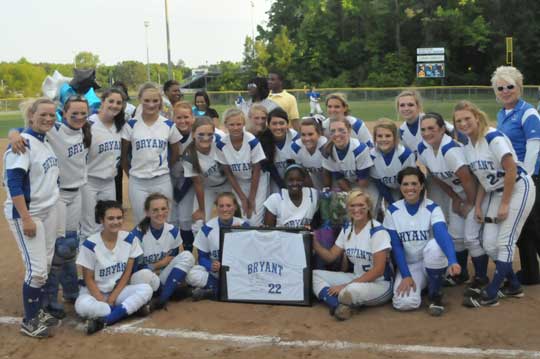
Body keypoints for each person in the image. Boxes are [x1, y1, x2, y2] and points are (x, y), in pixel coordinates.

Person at [9, 96, 92, 316]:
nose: (79, 116)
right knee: (58, 249)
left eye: (83, 113)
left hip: (71, 195)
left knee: (69, 246)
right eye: (73, 112)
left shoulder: (83, 129)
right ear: (64, 114)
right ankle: (48, 298)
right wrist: (13, 134)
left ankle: (70, 291)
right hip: (54, 198)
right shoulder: (53, 130)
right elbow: (22, 130)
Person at [453, 101, 535, 308]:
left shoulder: (492, 137)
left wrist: (505, 203)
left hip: (517, 188)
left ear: (477, 118)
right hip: (494, 192)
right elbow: (484, 180)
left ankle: (491, 293)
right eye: (459, 121)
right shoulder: (468, 146)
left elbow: (511, 170)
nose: (463, 124)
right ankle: (514, 286)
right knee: (489, 243)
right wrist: (479, 205)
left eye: (467, 119)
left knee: (504, 242)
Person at [4, 98, 61, 338]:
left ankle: (37, 311)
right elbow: (14, 185)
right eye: (43, 115)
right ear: (31, 116)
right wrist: (26, 218)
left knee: (45, 265)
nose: (48, 119)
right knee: (36, 270)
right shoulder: (22, 144)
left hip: (48, 210)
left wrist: (13, 131)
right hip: (29, 213)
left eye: (52, 115)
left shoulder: (43, 140)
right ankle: (29, 320)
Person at [384, 167, 461, 316]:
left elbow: (441, 234)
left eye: (414, 183)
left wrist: (452, 260)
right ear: (400, 187)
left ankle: (435, 294)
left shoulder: (432, 207)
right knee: (404, 303)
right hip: (409, 265)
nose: (410, 188)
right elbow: (396, 245)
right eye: (405, 184)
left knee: (435, 246)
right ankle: (425, 284)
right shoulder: (393, 210)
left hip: (430, 261)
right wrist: (406, 275)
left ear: (421, 186)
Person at [417, 112, 480, 285]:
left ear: (443, 129)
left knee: (472, 237)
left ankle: (482, 277)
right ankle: (461, 274)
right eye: (423, 129)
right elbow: (436, 177)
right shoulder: (423, 148)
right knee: (456, 236)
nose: (427, 133)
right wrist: (455, 198)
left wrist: (469, 202)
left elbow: (468, 180)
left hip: (476, 192)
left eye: (432, 128)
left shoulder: (450, 150)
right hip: (458, 193)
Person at [491, 66, 540, 285]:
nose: (505, 91)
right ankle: (531, 273)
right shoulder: (502, 113)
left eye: (510, 86)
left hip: (531, 177)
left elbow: (535, 146)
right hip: (517, 177)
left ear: (518, 87)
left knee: (532, 225)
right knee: (525, 228)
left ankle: (531, 272)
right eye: (500, 88)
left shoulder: (527, 112)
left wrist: (527, 177)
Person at [312, 191, 393, 320]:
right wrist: (314, 242)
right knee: (314, 275)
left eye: (361, 205)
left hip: (380, 284)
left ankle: (342, 301)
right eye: (352, 205)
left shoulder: (377, 231)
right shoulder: (347, 229)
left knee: (349, 291)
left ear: (368, 207)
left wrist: (345, 285)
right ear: (348, 208)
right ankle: (337, 306)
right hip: (357, 278)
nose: (357, 209)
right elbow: (331, 256)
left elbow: (378, 271)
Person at [75, 200, 153, 335]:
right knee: (83, 306)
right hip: (94, 294)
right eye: (110, 218)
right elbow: (88, 279)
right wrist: (103, 300)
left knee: (146, 289)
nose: (116, 222)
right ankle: (128, 309)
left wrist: (112, 298)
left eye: (119, 218)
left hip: (118, 291)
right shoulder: (90, 244)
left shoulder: (130, 238)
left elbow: (127, 274)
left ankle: (106, 319)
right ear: (102, 220)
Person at [121, 83, 181, 224]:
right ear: (140, 100)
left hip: (161, 179)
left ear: (160, 101)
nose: (151, 104)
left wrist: (164, 167)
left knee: (165, 221)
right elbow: (123, 157)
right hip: (138, 181)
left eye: (155, 100)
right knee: (141, 222)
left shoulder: (168, 125)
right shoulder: (130, 125)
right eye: (146, 100)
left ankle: (166, 247)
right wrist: (132, 174)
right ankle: (142, 247)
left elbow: (175, 153)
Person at [129, 193, 195, 310]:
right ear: (147, 212)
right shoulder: (137, 234)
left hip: (161, 276)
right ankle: (171, 292)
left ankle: (162, 298)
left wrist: (159, 266)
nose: (160, 213)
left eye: (163, 209)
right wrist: (159, 264)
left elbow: (173, 259)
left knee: (187, 255)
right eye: (155, 210)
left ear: (168, 209)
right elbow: (138, 268)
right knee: (146, 274)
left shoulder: (173, 231)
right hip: (142, 278)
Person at [81, 88, 126, 241]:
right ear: (102, 102)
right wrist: (15, 132)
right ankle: (87, 261)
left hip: (109, 182)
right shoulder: (88, 123)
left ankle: (105, 259)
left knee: (109, 222)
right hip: (89, 181)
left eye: (119, 103)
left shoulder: (121, 126)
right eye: (111, 101)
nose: (115, 105)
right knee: (89, 226)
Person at [186, 193, 249, 300]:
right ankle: (220, 289)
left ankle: (212, 292)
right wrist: (211, 265)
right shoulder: (207, 228)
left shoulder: (244, 226)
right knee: (191, 275)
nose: (225, 209)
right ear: (217, 207)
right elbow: (202, 257)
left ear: (235, 207)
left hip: (238, 271)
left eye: (228, 205)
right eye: (221, 206)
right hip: (216, 273)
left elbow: (250, 255)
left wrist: (239, 233)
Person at [216, 108, 268, 225]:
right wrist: (243, 198)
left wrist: (251, 198)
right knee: (243, 218)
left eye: (239, 124)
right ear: (225, 125)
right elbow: (228, 173)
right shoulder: (221, 145)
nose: (235, 128)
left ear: (244, 124)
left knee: (254, 219)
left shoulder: (252, 141)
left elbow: (257, 170)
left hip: (257, 181)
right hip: (238, 182)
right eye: (232, 124)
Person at [184, 116, 230, 222]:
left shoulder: (220, 141)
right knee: (198, 222)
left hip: (227, 184)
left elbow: (230, 173)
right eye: (201, 134)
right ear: (193, 134)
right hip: (207, 188)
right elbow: (198, 183)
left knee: (236, 215)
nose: (205, 138)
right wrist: (201, 210)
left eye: (210, 134)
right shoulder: (189, 155)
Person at [368, 119, 416, 213]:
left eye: (388, 136)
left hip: (406, 188)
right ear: (375, 138)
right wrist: (391, 202)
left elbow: (411, 181)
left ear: (395, 137)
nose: (383, 139)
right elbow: (379, 182)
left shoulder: (404, 154)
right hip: (387, 187)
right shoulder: (372, 155)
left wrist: (402, 201)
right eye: (379, 136)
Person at [169, 101, 196, 251]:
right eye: (178, 117)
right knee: (171, 219)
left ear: (192, 118)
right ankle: (171, 255)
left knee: (186, 218)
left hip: (189, 181)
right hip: (169, 180)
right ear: (173, 118)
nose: (183, 121)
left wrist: (181, 192)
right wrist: (172, 190)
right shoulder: (167, 133)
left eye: (186, 117)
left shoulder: (196, 136)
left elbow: (195, 171)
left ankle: (188, 253)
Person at [321, 117, 373, 193]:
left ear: (349, 131)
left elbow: (363, 181)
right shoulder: (328, 151)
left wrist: (354, 196)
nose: (337, 134)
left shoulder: (359, 149)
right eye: (333, 131)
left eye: (341, 130)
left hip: (368, 185)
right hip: (347, 185)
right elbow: (339, 178)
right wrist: (350, 194)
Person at [266, 107, 299, 193]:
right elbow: (270, 168)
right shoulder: (264, 140)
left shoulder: (295, 137)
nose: (278, 127)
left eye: (281, 123)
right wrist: (282, 186)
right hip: (274, 180)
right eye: (274, 123)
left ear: (288, 124)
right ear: (268, 125)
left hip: (296, 179)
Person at [290, 117, 327, 190]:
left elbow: (330, 174)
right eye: (303, 135)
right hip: (314, 180)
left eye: (310, 134)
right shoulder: (295, 148)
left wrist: (326, 190)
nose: (307, 138)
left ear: (319, 134)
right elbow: (303, 174)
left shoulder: (325, 147)